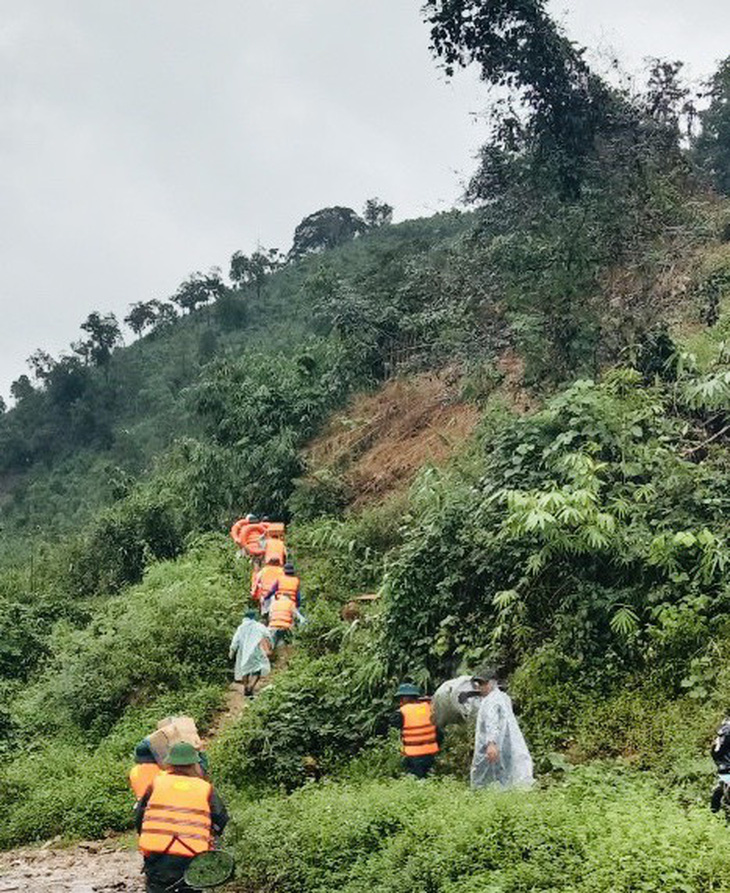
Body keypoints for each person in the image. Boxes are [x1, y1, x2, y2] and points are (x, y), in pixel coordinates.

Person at [136, 741, 228, 893]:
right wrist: (211, 834)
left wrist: (146, 836)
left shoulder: (156, 783)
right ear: (193, 764)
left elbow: (140, 816)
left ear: (170, 764)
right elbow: (221, 819)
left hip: (157, 857)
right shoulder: (205, 788)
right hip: (191, 858)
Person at [470, 667, 533, 790]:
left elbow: (491, 721)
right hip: (505, 743)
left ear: (492, 683)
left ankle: (482, 794)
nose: (480, 687)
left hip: (493, 745)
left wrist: (491, 743)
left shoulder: (491, 701)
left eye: (484, 683)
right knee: (509, 772)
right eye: (479, 684)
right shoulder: (502, 697)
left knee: (485, 776)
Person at [389, 683, 443, 779]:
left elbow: (393, 722)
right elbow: (439, 733)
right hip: (430, 753)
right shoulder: (429, 708)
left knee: (416, 779)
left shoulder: (402, 712)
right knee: (429, 777)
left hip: (414, 754)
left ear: (403, 699)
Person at [229, 610, 273, 697]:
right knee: (257, 669)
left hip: (243, 651)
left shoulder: (241, 628)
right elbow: (268, 635)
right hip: (256, 650)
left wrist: (232, 651)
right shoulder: (259, 626)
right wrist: (270, 645)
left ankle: (246, 687)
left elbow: (235, 640)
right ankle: (251, 686)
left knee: (244, 669)